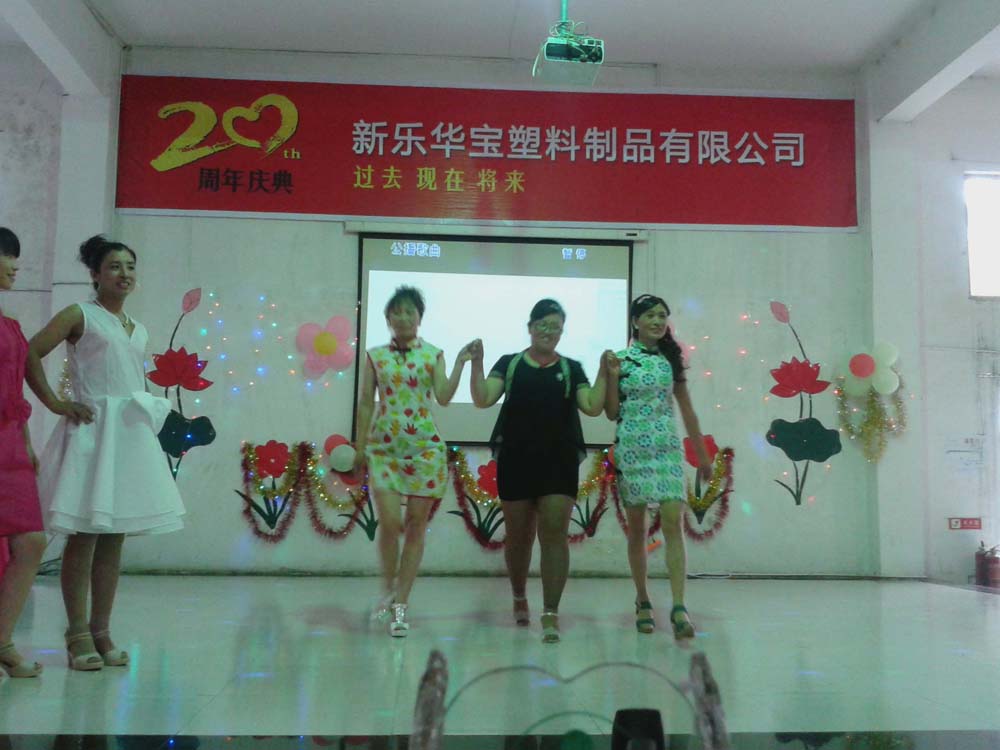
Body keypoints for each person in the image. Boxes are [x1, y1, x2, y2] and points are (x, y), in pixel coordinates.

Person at [26, 234, 185, 671]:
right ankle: (77, 632)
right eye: (114, 266)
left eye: (130, 266)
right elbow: (30, 352)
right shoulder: (80, 315)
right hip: (92, 434)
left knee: (114, 537)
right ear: (95, 274)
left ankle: (102, 629)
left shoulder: (138, 327)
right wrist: (56, 403)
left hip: (128, 438)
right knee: (84, 535)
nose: (124, 274)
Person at [469, 298, 610, 643]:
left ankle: (550, 612)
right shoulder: (510, 363)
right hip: (516, 461)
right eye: (542, 325)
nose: (549, 331)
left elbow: (592, 406)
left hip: (559, 463)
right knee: (518, 537)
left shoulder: (572, 368)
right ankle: (519, 596)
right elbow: (483, 398)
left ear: (562, 332)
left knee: (554, 535)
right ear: (530, 327)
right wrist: (477, 363)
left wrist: (605, 371)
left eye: (555, 326)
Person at [353, 286, 471, 636]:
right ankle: (388, 589)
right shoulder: (375, 356)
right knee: (391, 523)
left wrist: (461, 363)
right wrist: (360, 446)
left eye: (410, 312)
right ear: (388, 317)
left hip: (424, 450)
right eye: (397, 311)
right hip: (385, 450)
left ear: (420, 318)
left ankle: (401, 605)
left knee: (416, 525)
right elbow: (365, 402)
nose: (403, 317)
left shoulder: (433, 355)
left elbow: (444, 396)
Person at [604, 294, 712, 639]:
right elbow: (610, 411)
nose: (657, 321)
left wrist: (702, 455)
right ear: (635, 321)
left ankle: (679, 606)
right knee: (636, 528)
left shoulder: (671, 360)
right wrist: (610, 376)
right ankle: (643, 599)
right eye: (650, 315)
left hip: (666, 450)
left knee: (672, 521)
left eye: (662, 315)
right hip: (632, 450)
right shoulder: (620, 359)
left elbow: (687, 409)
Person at [0, 227, 46, 678]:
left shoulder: (10, 323)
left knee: (31, 541)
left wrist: (28, 443)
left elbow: (14, 392)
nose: (15, 265)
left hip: (11, 444)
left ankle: (3, 641)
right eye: (7, 256)